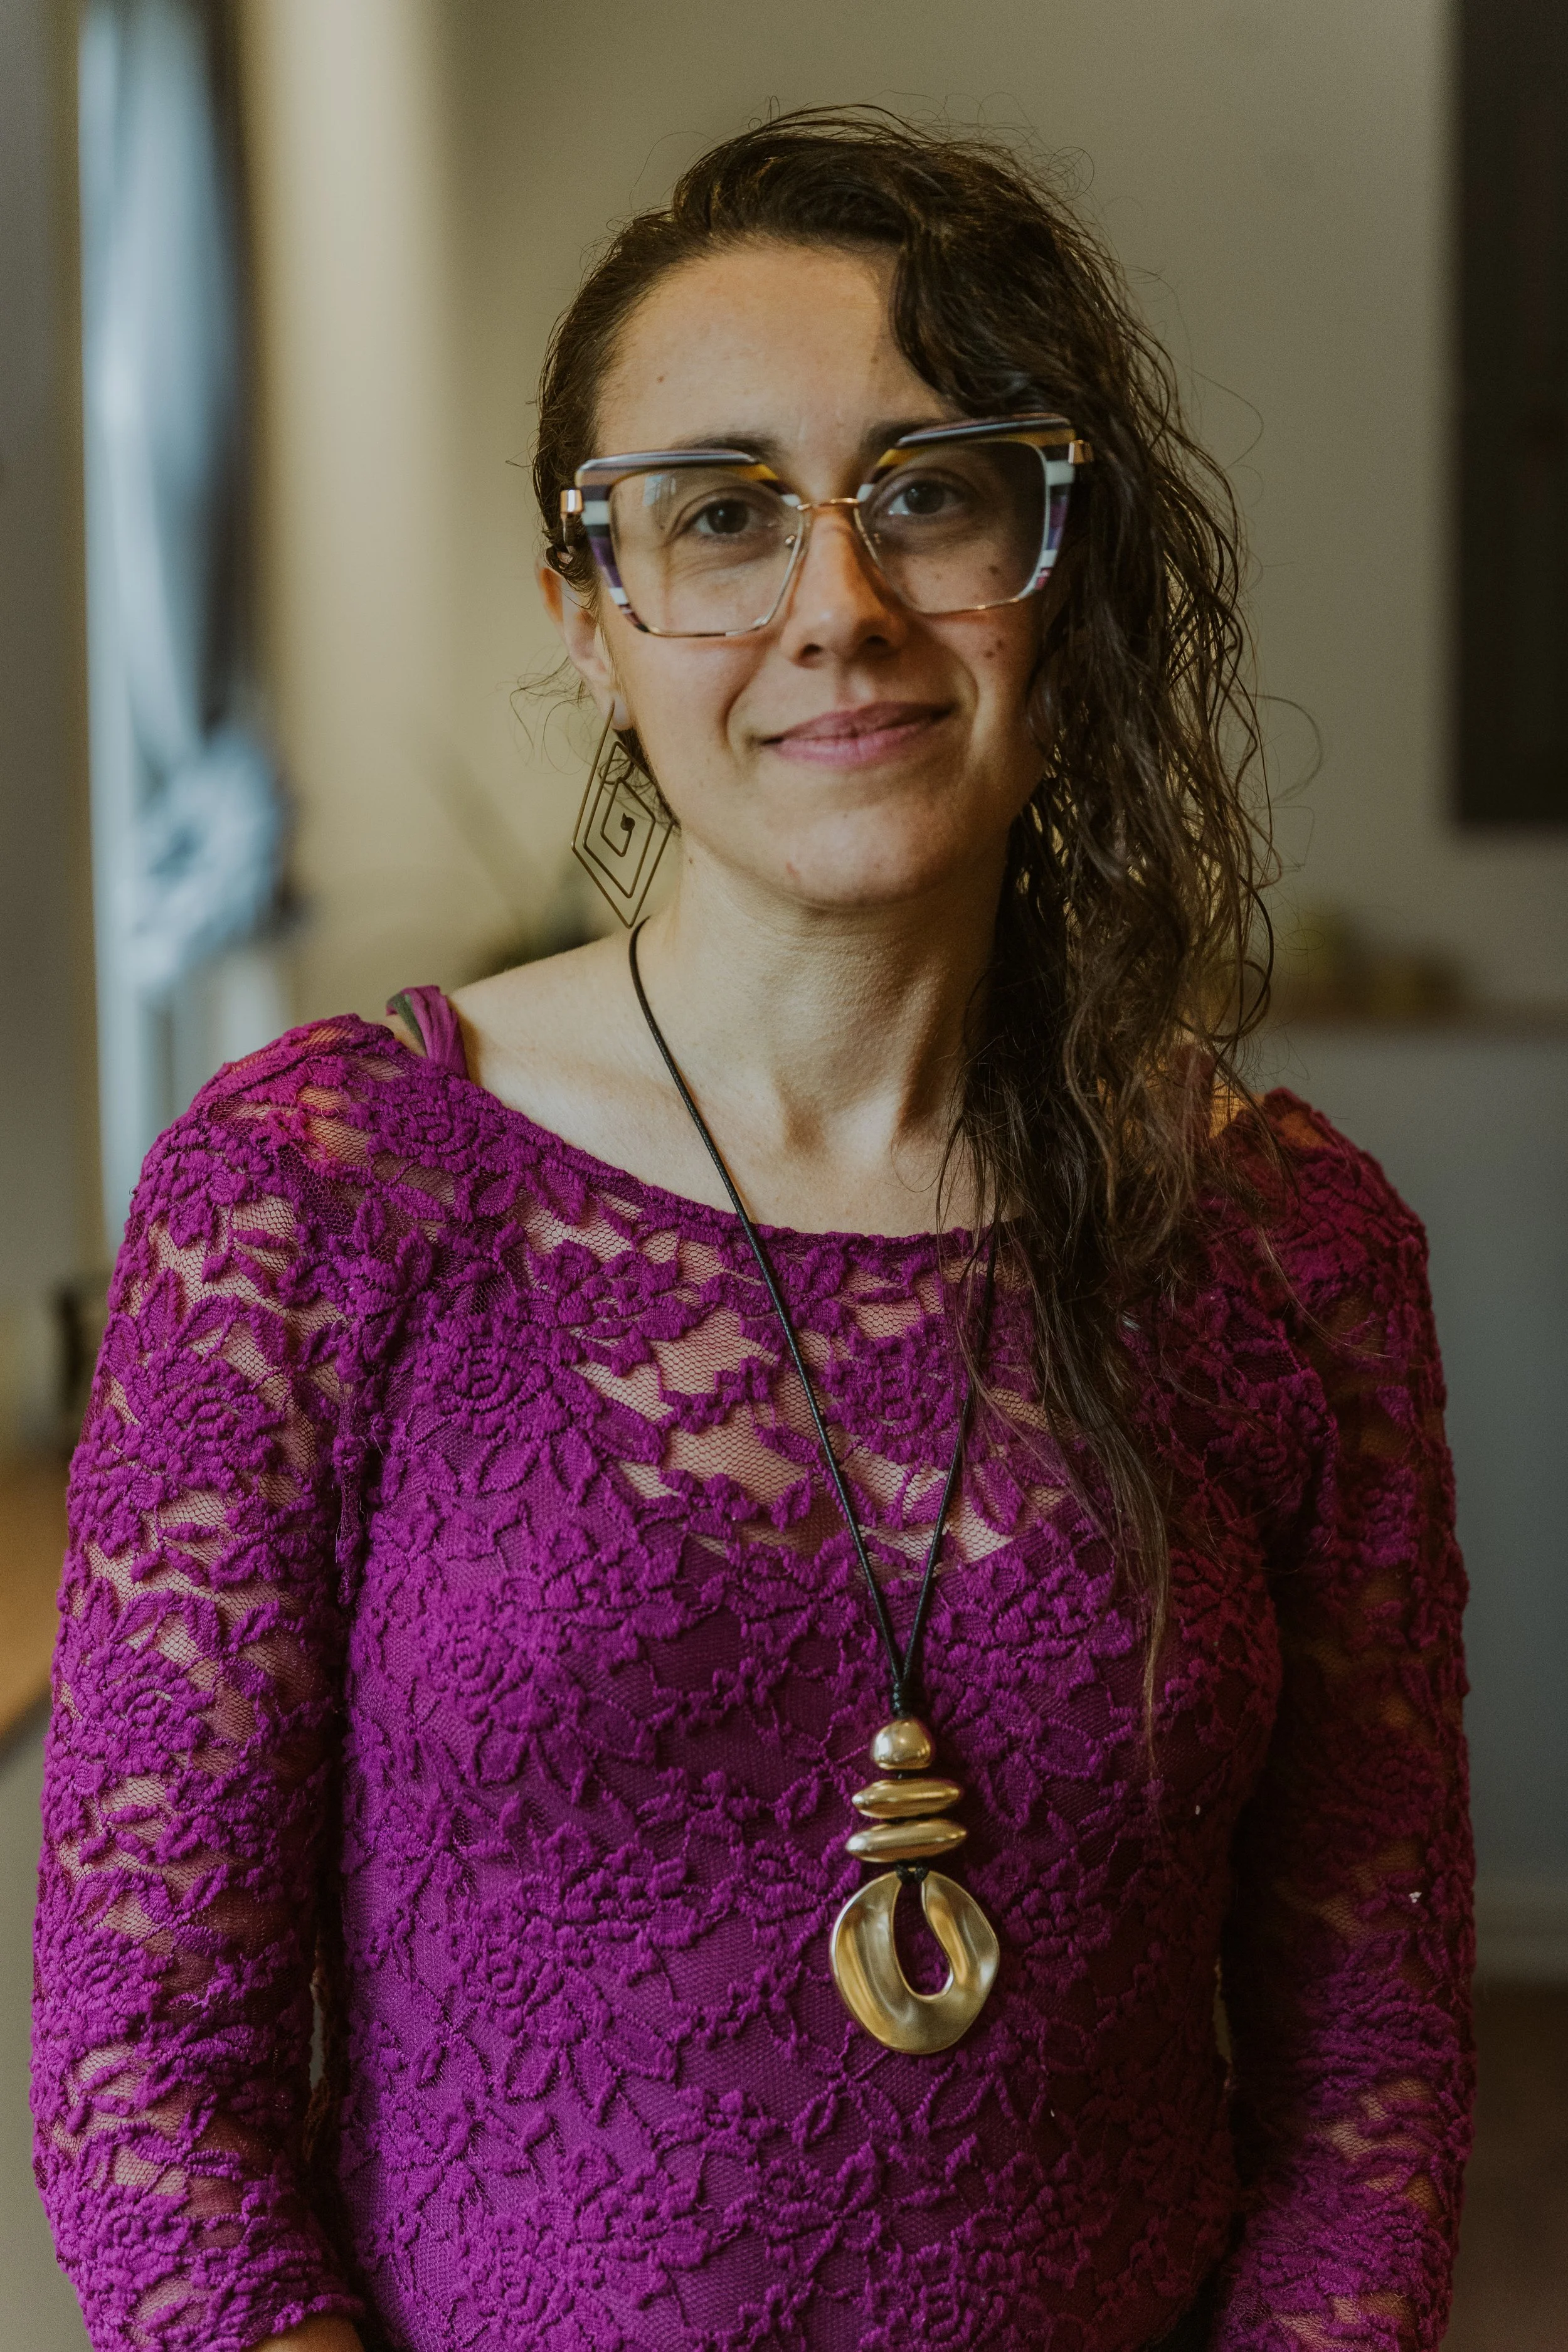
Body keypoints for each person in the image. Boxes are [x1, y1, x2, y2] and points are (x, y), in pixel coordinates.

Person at [32, 110, 1473, 2352]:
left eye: (931, 491)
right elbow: (152, 2077)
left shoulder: (1285, 1247)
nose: (839, 606)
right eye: (720, 515)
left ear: (1058, 570)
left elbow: (1366, 2065)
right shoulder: (313, 1192)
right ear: (592, 622)